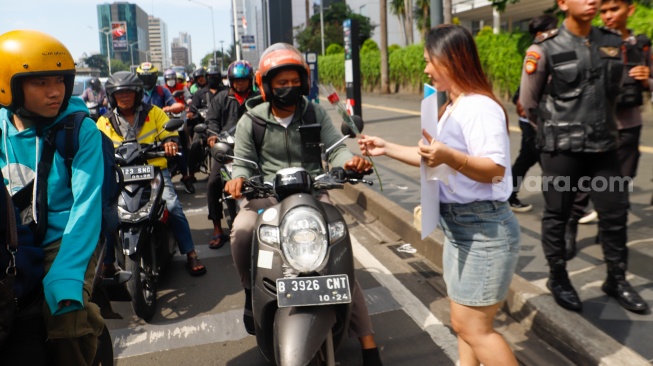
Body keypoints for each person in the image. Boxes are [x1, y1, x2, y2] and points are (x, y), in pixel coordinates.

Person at [359, 25, 519, 366]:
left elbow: (495, 170)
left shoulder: (479, 107)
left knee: (474, 328)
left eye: (430, 61)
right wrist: (386, 148)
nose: (426, 69)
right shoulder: (453, 105)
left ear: (452, 60)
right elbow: (433, 158)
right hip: (462, 228)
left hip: (483, 228)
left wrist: (450, 157)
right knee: (464, 326)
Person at [224, 43, 383, 366]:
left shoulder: (314, 112)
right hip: (266, 196)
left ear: (304, 82)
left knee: (338, 251)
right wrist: (238, 179)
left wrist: (350, 162)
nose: (288, 88)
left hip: (312, 192)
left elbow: (337, 149)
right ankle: (250, 292)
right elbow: (241, 163)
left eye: (294, 81)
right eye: (280, 83)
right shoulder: (251, 121)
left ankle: (368, 343)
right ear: (266, 85)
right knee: (242, 230)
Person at [519, 0, 647, 313]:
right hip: (562, 148)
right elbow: (528, 103)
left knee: (615, 215)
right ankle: (558, 277)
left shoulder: (613, 42)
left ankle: (616, 279)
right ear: (563, 3)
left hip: (605, 147)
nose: (592, 1)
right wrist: (554, 135)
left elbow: (624, 90)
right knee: (558, 214)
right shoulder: (545, 48)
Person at [0, 29, 105, 365]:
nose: (55, 92)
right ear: (9, 85)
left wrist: (67, 272)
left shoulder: (80, 131)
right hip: (9, 239)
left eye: (59, 80)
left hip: (62, 239)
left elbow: (86, 209)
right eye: (40, 83)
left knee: (67, 319)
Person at [564, 0, 653, 259]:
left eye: (614, 9)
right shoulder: (591, 40)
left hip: (628, 125)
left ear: (630, 10)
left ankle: (608, 231)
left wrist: (646, 76)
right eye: (604, 11)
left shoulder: (642, 44)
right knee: (582, 182)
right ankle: (570, 227)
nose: (608, 15)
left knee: (620, 183)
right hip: (594, 124)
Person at [97, 71, 207, 277]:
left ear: (137, 93)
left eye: (128, 92)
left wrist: (170, 143)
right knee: (107, 213)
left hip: (153, 168)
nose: (124, 97)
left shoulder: (154, 112)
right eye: (119, 93)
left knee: (173, 206)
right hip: (120, 173)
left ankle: (191, 253)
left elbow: (170, 133)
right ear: (112, 96)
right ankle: (108, 263)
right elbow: (97, 145)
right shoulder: (104, 121)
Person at [203, 60, 259, 249]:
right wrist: (212, 136)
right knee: (212, 183)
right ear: (230, 81)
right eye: (236, 80)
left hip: (252, 147)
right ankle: (217, 228)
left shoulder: (258, 98)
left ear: (250, 80)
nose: (240, 83)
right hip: (226, 149)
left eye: (244, 80)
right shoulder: (221, 98)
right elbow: (211, 121)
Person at [508, 14, 559, 213]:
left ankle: (508, 197)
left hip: (535, 121)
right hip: (534, 121)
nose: (557, 33)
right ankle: (569, 207)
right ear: (540, 34)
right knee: (553, 164)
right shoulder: (537, 51)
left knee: (527, 159)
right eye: (553, 29)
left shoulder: (550, 50)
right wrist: (535, 122)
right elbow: (524, 96)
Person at [137, 63, 195, 194]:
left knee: (178, 147)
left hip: (163, 129)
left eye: (149, 77)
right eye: (143, 77)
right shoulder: (136, 93)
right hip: (142, 131)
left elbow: (177, 105)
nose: (146, 81)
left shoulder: (162, 91)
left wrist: (166, 109)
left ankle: (185, 177)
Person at [186, 66, 226, 182]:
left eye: (215, 77)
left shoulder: (226, 92)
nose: (212, 79)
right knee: (195, 145)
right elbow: (192, 109)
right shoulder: (199, 93)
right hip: (203, 127)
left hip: (222, 128)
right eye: (210, 77)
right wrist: (191, 113)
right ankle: (191, 172)